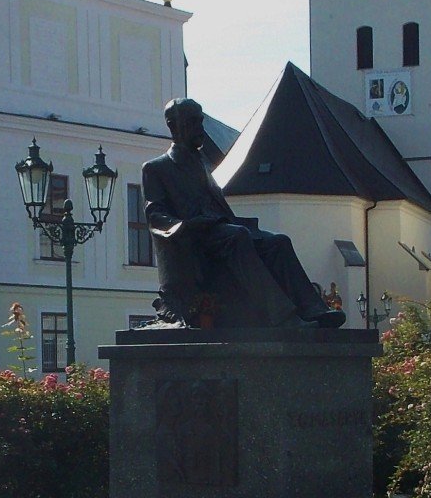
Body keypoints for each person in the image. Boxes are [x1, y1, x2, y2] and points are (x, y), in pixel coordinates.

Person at [143, 99, 345, 329]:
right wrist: (185, 225)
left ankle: (312, 309)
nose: (200, 129)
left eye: (201, 121)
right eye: (193, 122)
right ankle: (284, 318)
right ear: (173, 125)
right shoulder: (157, 168)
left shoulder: (204, 163)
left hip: (221, 229)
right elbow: (155, 215)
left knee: (278, 242)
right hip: (195, 238)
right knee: (238, 236)